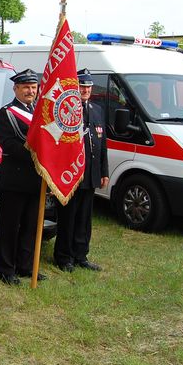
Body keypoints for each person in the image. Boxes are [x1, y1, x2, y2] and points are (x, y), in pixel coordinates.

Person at [53, 69, 109, 272]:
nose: (85, 90)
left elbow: (102, 144)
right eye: (81, 86)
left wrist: (104, 171)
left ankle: (81, 255)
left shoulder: (97, 110)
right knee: (68, 218)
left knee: (84, 219)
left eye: (88, 86)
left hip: (90, 174)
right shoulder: (65, 111)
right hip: (71, 175)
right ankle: (63, 257)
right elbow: (59, 146)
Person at [0, 69, 45, 285]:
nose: (30, 91)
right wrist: (40, 156)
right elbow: (8, 145)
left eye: (33, 87)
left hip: (36, 181)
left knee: (31, 227)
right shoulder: (6, 113)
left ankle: (26, 266)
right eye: (25, 87)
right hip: (15, 181)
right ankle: (6, 269)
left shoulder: (41, 113)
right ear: (16, 88)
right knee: (10, 228)